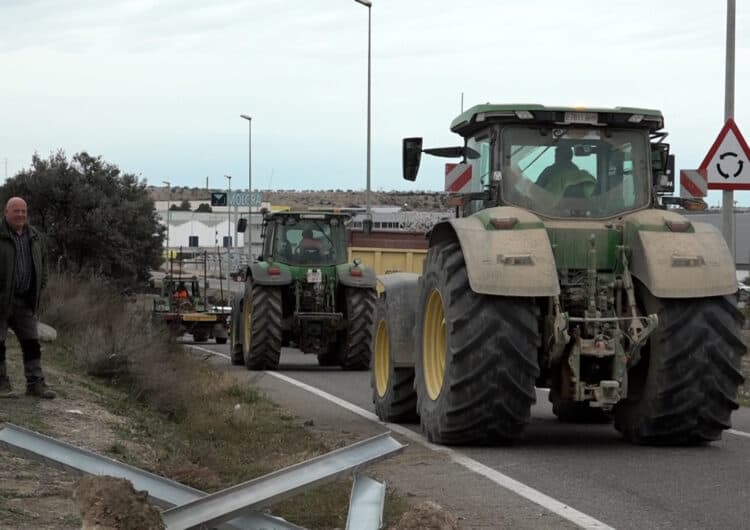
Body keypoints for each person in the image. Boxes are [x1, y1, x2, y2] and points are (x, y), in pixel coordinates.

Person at [0, 197, 55, 399]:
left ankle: (35, 384)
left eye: (23, 211)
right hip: (2, 301)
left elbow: (44, 264)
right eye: (16, 211)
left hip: (25, 301)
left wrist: (39, 287)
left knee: (32, 343)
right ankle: (1, 385)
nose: (21, 215)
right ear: (6, 212)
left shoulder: (35, 237)